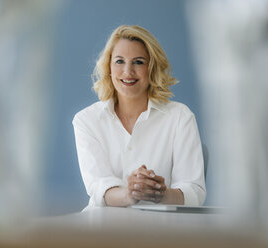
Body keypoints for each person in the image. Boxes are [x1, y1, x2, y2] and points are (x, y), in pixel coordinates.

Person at [73, 25, 206, 210]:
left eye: (138, 62)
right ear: (109, 66)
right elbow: (98, 187)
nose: (128, 72)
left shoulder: (180, 117)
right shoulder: (86, 120)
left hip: (162, 232)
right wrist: (130, 194)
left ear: (152, 68)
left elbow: (194, 192)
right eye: (119, 61)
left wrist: (161, 194)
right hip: (102, 231)